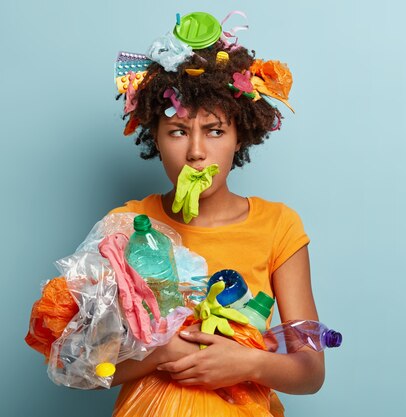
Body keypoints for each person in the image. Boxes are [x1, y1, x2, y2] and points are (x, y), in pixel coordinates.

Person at [106, 12, 325, 417]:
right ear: (154, 135)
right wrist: (161, 352)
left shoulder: (279, 227)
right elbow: (90, 366)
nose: (195, 152)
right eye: (177, 131)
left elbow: (311, 373)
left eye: (215, 130)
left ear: (241, 134)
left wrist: (250, 363)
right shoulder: (126, 224)